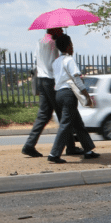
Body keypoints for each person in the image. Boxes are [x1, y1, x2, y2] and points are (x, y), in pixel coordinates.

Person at [21, 28, 79, 158]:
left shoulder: (40, 41)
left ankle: (29, 145)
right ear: (54, 30)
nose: (62, 30)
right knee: (64, 114)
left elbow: (35, 59)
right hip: (51, 80)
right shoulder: (53, 43)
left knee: (44, 114)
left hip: (41, 79)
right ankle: (70, 147)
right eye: (60, 29)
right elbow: (58, 62)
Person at [48, 35, 98, 163]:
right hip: (68, 95)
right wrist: (86, 95)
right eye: (72, 44)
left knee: (78, 123)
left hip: (58, 94)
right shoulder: (69, 60)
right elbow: (76, 79)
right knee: (65, 125)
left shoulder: (56, 61)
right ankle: (54, 154)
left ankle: (88, 150)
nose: (73, 47)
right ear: (69, 46)